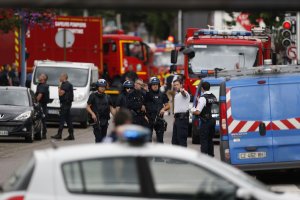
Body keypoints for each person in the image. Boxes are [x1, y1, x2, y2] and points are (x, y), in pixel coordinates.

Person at [192, 81, 217, 157]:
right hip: (212, 120)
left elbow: (198, 112)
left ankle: (204, 157)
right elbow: (208, 104)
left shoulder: (203, 98)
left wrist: (192, 110)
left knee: (204, 140)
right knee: (210, 140)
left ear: (202, 88)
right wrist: (199, 101)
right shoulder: (213, 96)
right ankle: (211, 155)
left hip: (205, 122)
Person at [145, 77, 170, 143]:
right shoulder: (146, 94)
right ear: (151, 85)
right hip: (149, 119)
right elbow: (142, 105)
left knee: (160, 141)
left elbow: (168, 105)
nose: (155, 86)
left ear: (159, 85)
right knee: (148, 140)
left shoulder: (162, 94)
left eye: (156, 84)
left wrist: (163, 109)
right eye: (153, 84)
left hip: (159, 119)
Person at [51, 73, 74, 140]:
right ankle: (71, 134)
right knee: (68, 119)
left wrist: (59, 87)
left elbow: (60, 94)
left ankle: (59, 134)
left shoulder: (65, 84)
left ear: (64, 77)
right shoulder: (67, 84)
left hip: (65, 104)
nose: (59, 78)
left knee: (62, 119)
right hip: (67, 104)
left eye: (60, 76)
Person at [172, 79, 190, 147]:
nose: (175, 86)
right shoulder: (176, 95)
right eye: (174, 85)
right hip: (177, 119)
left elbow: (184, 94)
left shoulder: (185, 93)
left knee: (181, 141)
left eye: (177, 85)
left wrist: (182, 91)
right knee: (174, 141)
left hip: (182, 119)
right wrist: (174, 117)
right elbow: (177, 107)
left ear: (181, 85)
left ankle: (184, 157)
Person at [35, 73, 49, 139]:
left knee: (42, 119)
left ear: (44, 78)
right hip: (42, 105)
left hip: (42, 105)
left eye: (41, 76)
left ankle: (43, 133)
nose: (39, 76)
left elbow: (40, 95)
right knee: (41, 119)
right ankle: (42, 132)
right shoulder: (40, 85)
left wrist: (35, 102)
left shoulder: (43, 86)